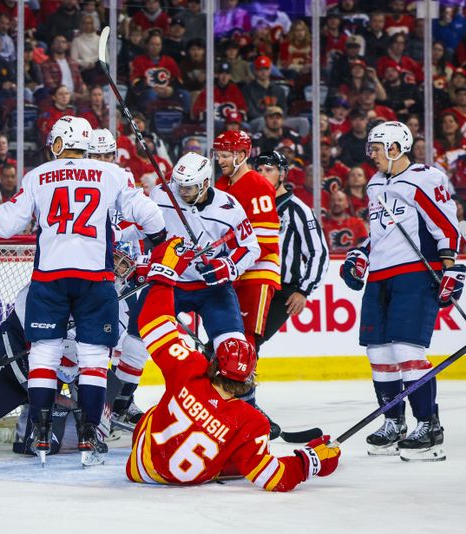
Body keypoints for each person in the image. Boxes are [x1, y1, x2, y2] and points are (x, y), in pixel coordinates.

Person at [0, 116, 166, 467]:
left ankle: (41, 433)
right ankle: (89, 437)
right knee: (93, 360)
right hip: (96, 280)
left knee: (43, 356)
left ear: (58, 144)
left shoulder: (38, 175)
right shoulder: (113, 174)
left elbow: (6, 226)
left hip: (49, 279)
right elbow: (151, 216)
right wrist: (160, 244)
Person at [126, 236, 341, 490]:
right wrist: (311, 461)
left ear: (215, 362)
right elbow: (275, 478)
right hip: (192, 477)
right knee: (238, 450)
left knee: (154, 413)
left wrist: (163, 275)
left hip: (140, 467)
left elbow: (153, 323)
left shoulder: (190, 367)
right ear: (250, 376)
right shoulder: (251, 421)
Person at [340, 121, 462, 461]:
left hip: (414, 272)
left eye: (377, 149)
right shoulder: (376, 184)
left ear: (395, 147)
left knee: (407, 350)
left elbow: (446, 224)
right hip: (380, 276)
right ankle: (394, 422)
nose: (372, 155)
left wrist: (451, 266)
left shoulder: (424, 178)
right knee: (378, 353)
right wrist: (362, 253)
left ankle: (429, 425)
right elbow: (379, 234)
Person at [117, 152, 261, 424]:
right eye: (179, 184)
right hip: (168, 282)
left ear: (205, 184)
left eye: (189, 186)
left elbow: (250, 247)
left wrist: (227, 266)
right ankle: (120, 402)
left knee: (234, 347)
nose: (181, 190)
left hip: (213, 289)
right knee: (135, 339)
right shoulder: (162, 196)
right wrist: (114, 238)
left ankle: (247, 409)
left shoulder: (229, 207)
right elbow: (138, 228)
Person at [213, 130, 282, 436]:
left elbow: (266, 239)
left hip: (256, 273)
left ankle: (247, 405)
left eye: (225, 155)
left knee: (246, 343)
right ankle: (231, 402)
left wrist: (225, 250)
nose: (220, 160)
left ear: (241, 156)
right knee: (224, 339)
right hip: (232, 273)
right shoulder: (220, 186)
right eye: (218, 155)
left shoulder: (257, 184)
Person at [253, 151, 329, 351]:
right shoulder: (251, 207)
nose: (262, 175)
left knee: (250, 342)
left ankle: (241, 383)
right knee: (238, 341)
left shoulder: (298, 209)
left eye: (268, 170)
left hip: (281, 290)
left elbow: (318, 252)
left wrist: (303, 290)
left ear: (282, 174)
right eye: (259, 170)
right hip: (252, 286)